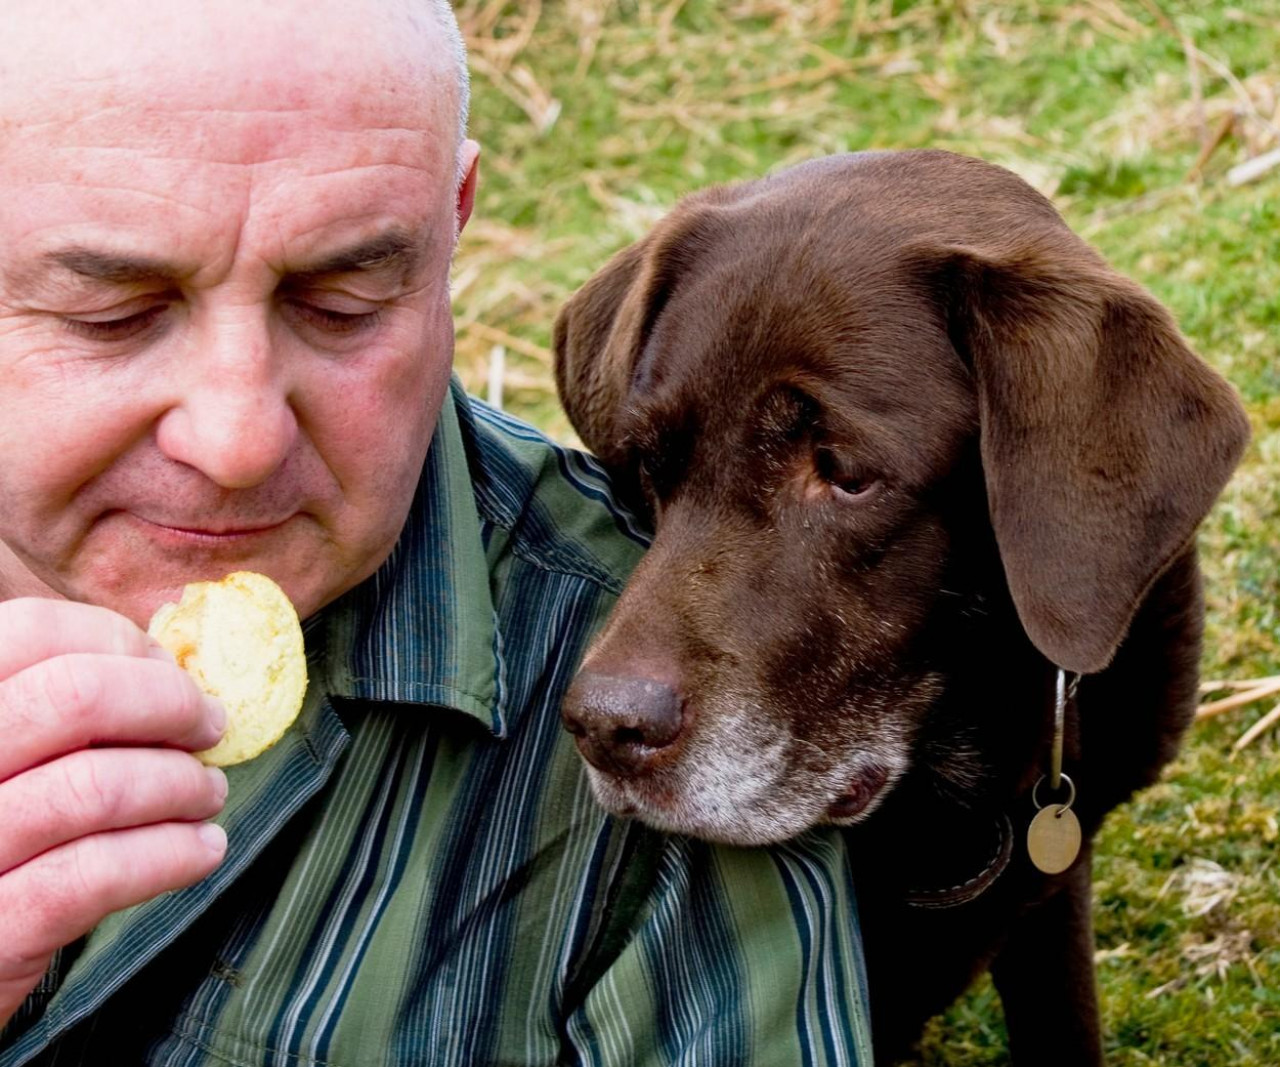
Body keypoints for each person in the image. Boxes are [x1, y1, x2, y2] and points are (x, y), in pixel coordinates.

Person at [0, 1, 874, 1063]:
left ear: (449, 220)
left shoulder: (650, 717)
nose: (236, 439)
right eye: (113, 317)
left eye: (346, 298)